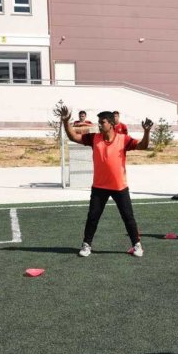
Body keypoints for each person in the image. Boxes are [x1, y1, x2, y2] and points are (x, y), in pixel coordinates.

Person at [61, 107, 152, 258]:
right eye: (98, 122)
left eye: (102, 122)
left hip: (119, 187)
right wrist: (65, 121)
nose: (99, 125)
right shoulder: (94, 138)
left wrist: (147, 132)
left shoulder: (123, 139)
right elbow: (73, 137)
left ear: (111, 124)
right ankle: (86, 245)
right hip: (99, 187)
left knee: (128, 217)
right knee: (93, 217)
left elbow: (143, 146)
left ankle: (136, 245)